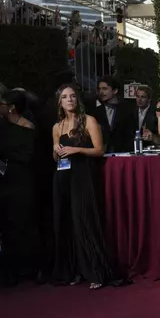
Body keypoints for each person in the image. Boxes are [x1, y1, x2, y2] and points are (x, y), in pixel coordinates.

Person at [51, 84, 128, 290]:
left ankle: (97, 271)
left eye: (73, 96)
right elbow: (55, 156)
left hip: (83, 176)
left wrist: (75, 149)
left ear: (78, 99)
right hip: (62, 177)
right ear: (60, 102)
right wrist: (56, 150)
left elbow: (99, 150)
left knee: (85, 220)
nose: (70, 100)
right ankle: (73, 271)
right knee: (65, 222)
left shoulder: (89, 121)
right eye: (65, 97)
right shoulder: (57, 127)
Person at [0, 90, 38, 286]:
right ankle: (10, 269)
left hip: (22, 181)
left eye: (3, 104)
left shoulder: (28, 128)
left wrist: (8, 156)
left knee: (22, 223)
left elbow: (28, 156)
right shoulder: (2, 126)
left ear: (12, 107)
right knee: (7, 225)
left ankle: (26, 268)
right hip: (5, 182)